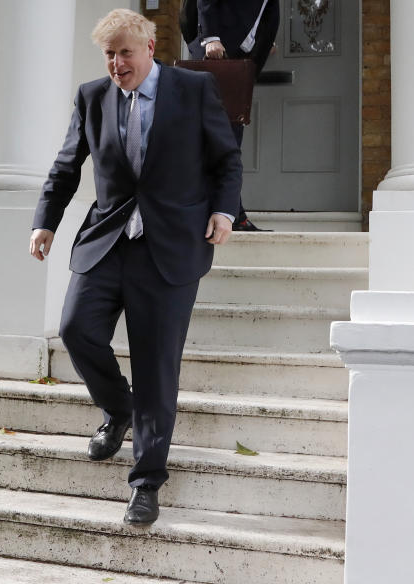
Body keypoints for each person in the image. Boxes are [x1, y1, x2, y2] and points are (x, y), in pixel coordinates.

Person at [29, 9, 241, 524]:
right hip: (108, 241)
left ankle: (146, 482)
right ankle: (117, 408)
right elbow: (66, 164)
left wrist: (223, 209)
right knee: (77, 329)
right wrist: (46, 221)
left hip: (169, 248)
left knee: (155, 366)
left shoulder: (192, 91)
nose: (116, 64)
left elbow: (225, 159)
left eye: (125, 52)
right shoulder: (92, 96)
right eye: (109, 55)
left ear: (149, 46)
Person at [187, 0, 279, 231]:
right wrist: (210, 37)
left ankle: (231, 212)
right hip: (215, 54)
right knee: (213, 138)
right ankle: (223, 213)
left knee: (231, 138)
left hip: (240, 61)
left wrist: (258, 39)